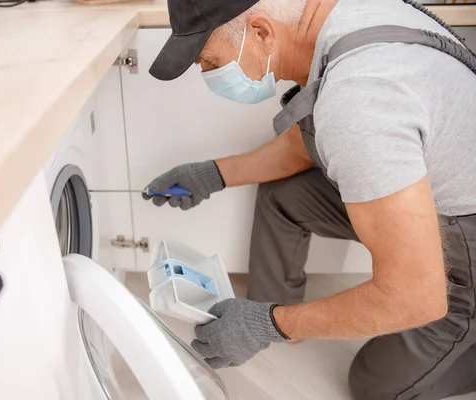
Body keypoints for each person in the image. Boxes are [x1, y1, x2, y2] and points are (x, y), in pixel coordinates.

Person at [142, 0, 476, 398]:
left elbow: (416, 297)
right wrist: (210, 175)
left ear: (263, 32)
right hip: (435, 190)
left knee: (375, 385)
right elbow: (303, 147)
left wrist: (270, 325)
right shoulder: (341, 20)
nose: (210, 75)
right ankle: (273, 315)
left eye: (210, 62)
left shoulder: (359, 96)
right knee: (287, 196)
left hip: (463, 240)